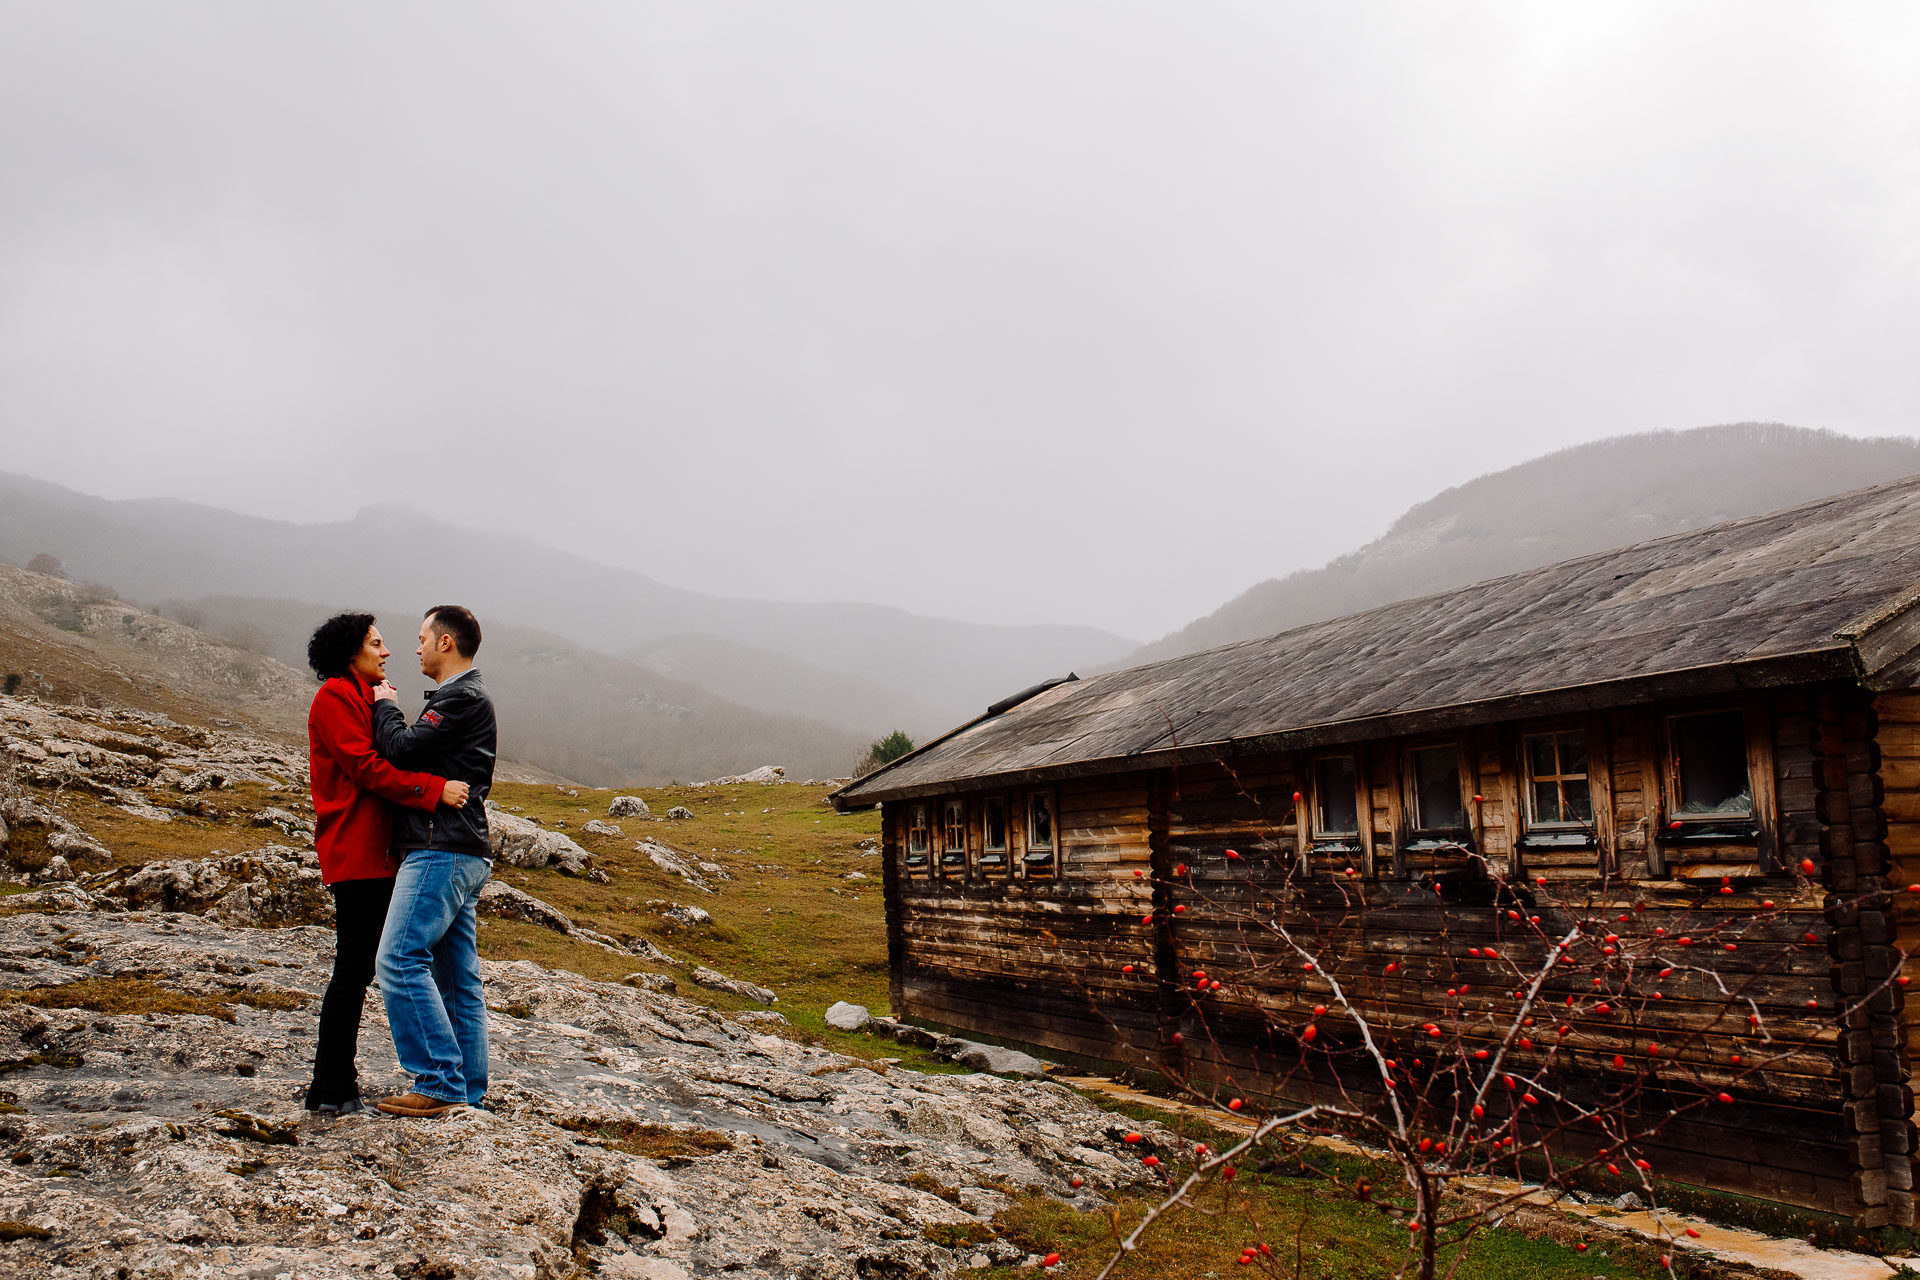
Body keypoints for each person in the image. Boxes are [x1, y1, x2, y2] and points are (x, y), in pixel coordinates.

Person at [304, 613, 469, 1116]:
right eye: (377, 643)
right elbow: (369, 768)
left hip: (379, 852)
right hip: (358, 852)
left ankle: (339, 1080)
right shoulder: (334, 697)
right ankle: (331, 1084)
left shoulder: (363, 696)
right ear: (352, 653)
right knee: (356, 967)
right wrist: (434, 792)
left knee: (364, 966)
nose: (387, 651)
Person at [370, 604, 497, 1118]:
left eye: (423, 637)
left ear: (446, 643)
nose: (415, 646)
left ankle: (439, 1081)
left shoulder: (461, 698)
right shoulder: (461, 698)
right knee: (456, 979)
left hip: (438, 848)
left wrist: (384, 704)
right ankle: (468, 1093)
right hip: (461, 850)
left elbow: (400, 751)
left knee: (398, 959)